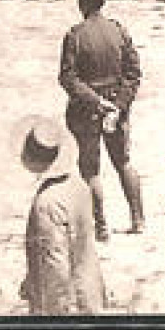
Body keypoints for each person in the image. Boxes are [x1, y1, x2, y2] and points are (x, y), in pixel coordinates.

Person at [57, 0, 144, 241]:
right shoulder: (118, 31)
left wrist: (97, 102)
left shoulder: (75, 36)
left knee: (90, 169)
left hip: (87, 111)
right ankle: (138, 219)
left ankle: (101, 226)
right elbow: (134, 73)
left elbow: (68, 78)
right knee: (124, 162)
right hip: (117, 111)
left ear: (82, 1)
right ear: (103, 0)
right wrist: (117, 106)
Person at [16, 116, 106, 316]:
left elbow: (55, 266)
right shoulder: (78, 185)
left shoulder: (46, 203)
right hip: (89, 291)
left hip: (67, 304)